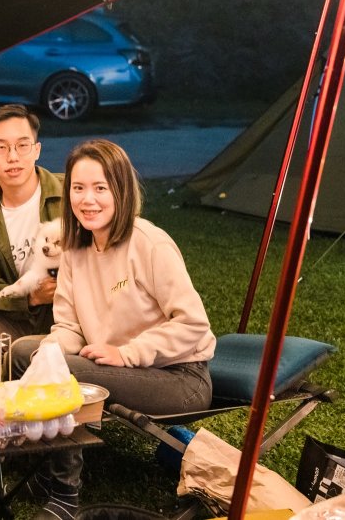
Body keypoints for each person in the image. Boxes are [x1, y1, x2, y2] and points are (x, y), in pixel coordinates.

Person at [24, 139, 215, 520]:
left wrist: (127, 354)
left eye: (100, 188)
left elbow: (194, 323)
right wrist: (50, 349)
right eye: (78, 188)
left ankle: (64, 493)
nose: (87, 199)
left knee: (66, 371)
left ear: (121, 191)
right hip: (116, 366)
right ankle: (38, 464)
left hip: (178, 377)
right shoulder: (76, 250)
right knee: (28, 351)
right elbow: (68, 326)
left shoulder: (149, 243)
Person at [0, 104, 63, 339]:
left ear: (37, 150)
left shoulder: (70, 193)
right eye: (1, 147)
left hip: (76, 318)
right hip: (20, 321)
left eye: (22, 145)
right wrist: (32, 297)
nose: (13, 156)